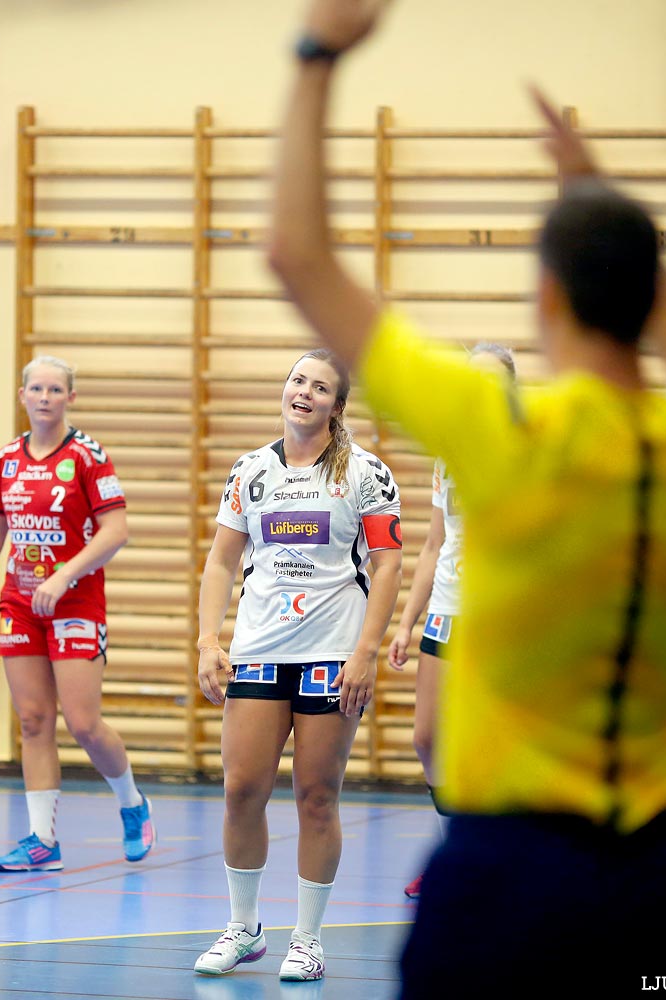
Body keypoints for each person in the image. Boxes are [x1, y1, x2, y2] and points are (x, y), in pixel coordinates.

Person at [265, 2, 666, 996]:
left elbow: (298, 257)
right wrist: (603, 205)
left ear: (546, 297)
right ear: (645, 291)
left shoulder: (504, 430)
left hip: (505, 878)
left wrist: (317, 58)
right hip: (657, 880)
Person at [193, 348, 403, 982]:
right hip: (260, 652)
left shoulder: (365, 473)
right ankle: (245, 927)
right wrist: (209, 639)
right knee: (241, 790)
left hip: (332, 655)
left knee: (316, 796)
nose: (303, 393)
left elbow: (389, 562)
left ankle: (307, 940)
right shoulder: (250, 472)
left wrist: (366, 650)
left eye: (319, 387)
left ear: (338, 407)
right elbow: (222, 562)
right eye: (297, 381)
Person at [0, 355, 155, 872]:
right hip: (20, 603)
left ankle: (132, 803)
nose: (45, 397)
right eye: (36, 389)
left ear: (70, 397)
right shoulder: (8, 460)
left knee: (83, 723)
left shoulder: (87, 456)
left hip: (75, 602)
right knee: (34, 719)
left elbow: (116, 530)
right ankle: (43, 840)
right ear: (22, 396)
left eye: (55, 389)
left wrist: (65, 574)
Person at [386, 341, 516, 900]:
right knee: (428, 737)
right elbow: (435, 543)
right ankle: (453, 855)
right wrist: (407, 620)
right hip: (446, 610)